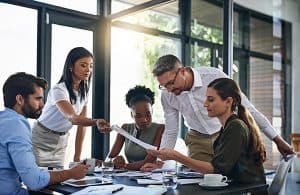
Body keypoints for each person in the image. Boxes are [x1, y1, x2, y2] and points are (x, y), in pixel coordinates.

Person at [142, 54, 293, 170]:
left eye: (170, 83)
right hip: (197, 140)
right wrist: (160, 163)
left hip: (224, 135)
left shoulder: (214, 77)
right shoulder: (167, 95)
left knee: (231, 182)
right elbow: (171, 130)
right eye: (163, 86)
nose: (168, 89)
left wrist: (277, 140)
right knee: (199, 184)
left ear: (182, 71)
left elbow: (247, 108)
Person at [147, 78, 266, 185]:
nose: (205, 104)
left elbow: (216, 169)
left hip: (246, 191)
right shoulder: (228, 126)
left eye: (211, 99)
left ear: (228, 102)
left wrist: (176, 156)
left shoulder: (236, 127)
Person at [0, 72, 89, 195]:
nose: (42, 105)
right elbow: (34, 181)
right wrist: (71, 173)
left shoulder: (3, 120)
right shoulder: (17, 125)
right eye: (38, 99)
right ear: (20, 99)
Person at [32, 47, 110, 167]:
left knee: (56, 180)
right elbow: (73, 118)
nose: (88, 70)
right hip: (41, 138)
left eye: (91, 66)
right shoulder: (59, 90)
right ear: (71, 66)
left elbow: (81, 125)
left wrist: (77, 156)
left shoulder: (84, 92)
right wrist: (96, 121)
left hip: (61, 141)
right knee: (38, 180)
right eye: (83, 65)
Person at [108, 85, 164, 170]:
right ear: (132, 115)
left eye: (148, 115)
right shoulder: (125, 128)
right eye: (138, 116)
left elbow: (148, 161)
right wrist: (115, 161)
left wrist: (123, 166)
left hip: (152, 178)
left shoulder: (160, 129)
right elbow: (110, 158)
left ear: (152, 112)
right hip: (130, 177)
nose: (144, 120)